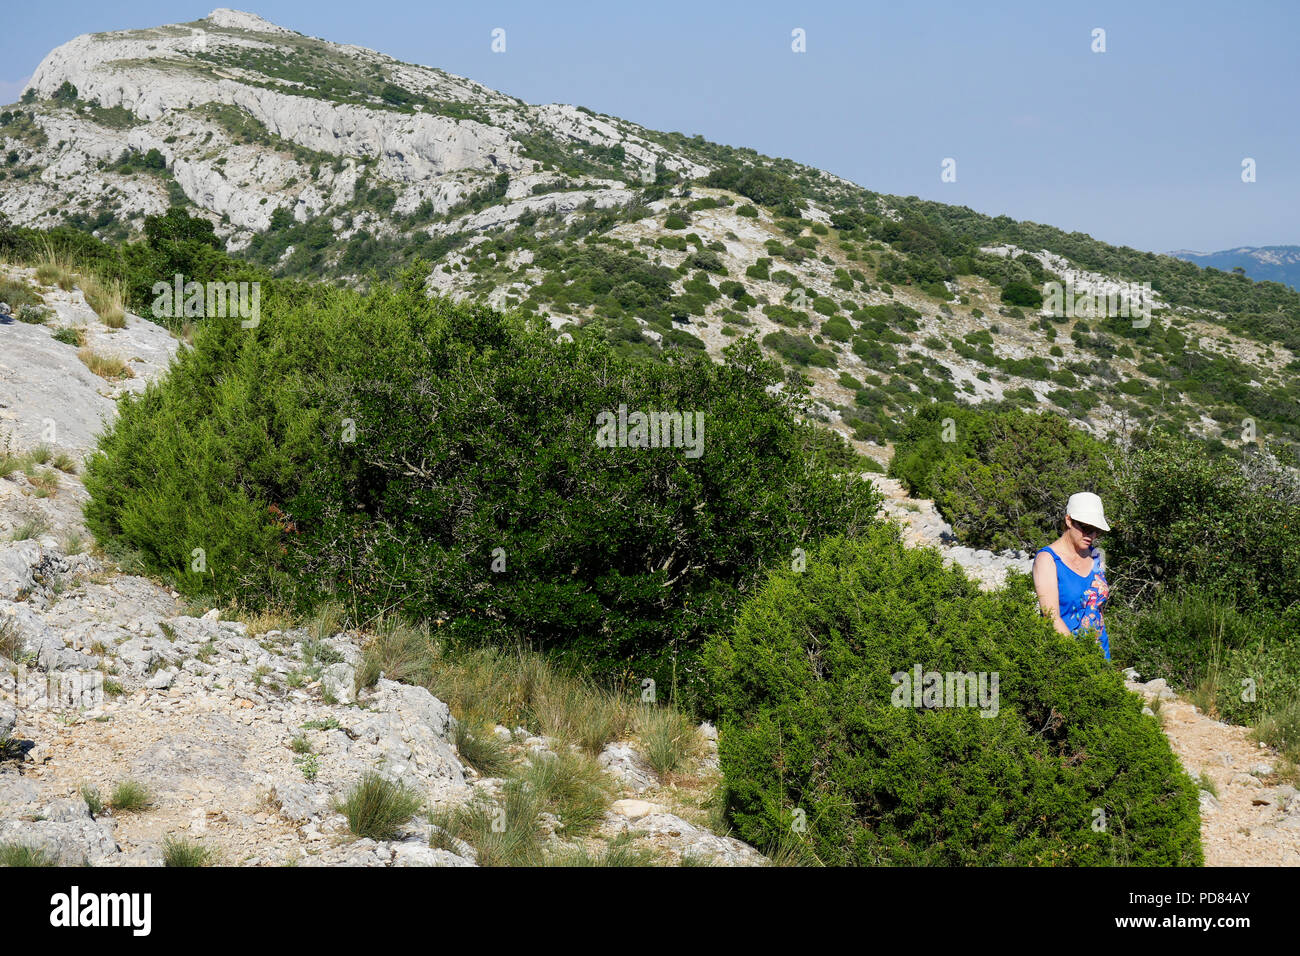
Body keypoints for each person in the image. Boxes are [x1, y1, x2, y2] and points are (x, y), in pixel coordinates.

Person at [1032, 492, 1111, 659]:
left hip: (1100, 652)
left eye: (1096, 530)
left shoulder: (1098, 555)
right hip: (1067, 655)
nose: (1092, 535)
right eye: (1086, 528)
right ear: (1069, 520)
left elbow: (1097, 606)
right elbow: (1051, 617)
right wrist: (1080, 658)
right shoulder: (1048, 559)